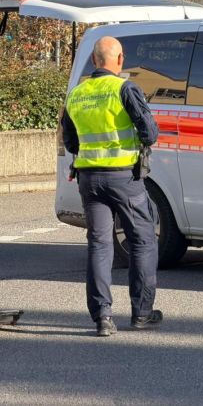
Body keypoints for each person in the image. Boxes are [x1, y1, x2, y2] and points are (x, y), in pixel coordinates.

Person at [61, 35, 162, 337]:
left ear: (94, 61)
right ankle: (142, 312)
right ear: (120, 60)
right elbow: (150, 132)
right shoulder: (124, 88)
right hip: (124, 179)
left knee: (100, 245)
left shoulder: (76, 94)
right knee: (142, 240)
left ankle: (102, 316)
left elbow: (71, 141)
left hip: (89, 179)